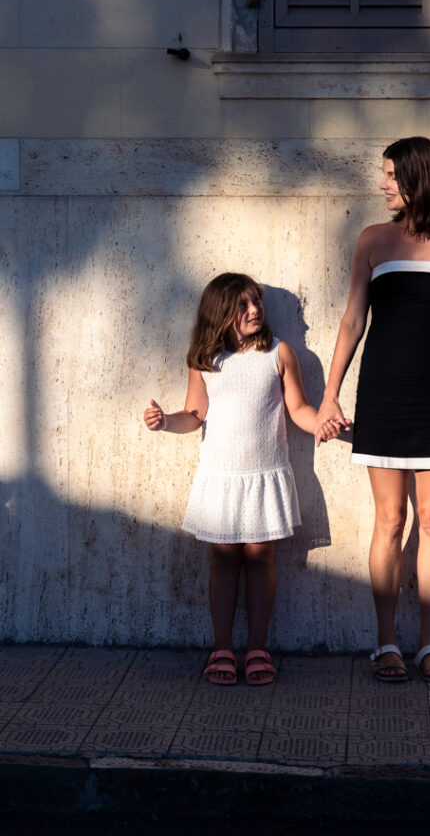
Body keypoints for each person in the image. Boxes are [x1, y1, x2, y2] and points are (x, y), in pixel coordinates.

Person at [315, 138, 430, 683]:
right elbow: (352, 320)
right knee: (391, 520)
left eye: (392, 174)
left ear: (419, 178)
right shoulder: (373, 239)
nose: (383, 184)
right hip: (384, 394)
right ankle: (386, 642)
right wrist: (330, 393)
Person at [144, 272, 339, 685]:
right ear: (220, 313)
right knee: (224, 558)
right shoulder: (205, 360)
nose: (255, 309)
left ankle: (256, 648)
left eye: (257, 301)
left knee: (260, 558)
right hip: (222, 476)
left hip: (263, 475)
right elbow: (194, 414)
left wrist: (321, 423)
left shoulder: (278, 353)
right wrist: (165, 422)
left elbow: (298, 409)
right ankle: (222, 647)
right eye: (243, 304)